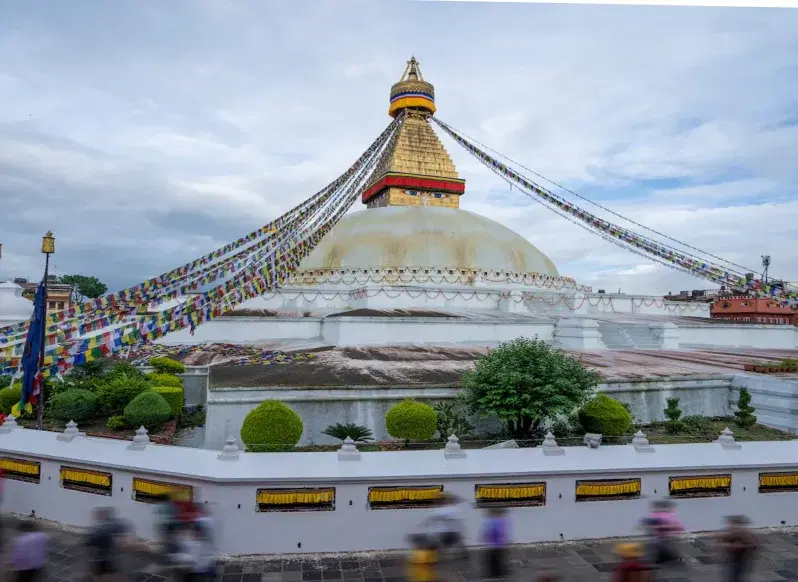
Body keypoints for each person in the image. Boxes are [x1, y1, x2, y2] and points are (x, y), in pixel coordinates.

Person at [86, 507, 129, 581]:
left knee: (100, 574)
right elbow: (122, 529)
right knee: (111, 573)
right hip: (110, 556)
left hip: (102, 558)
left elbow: (92, 542)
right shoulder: (113, 523)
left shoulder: (100, 528)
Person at [419, 493, 467, 559]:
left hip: (447, 533)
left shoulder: (449, 509)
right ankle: (438, 555)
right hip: (447, 533)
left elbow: (431, 518)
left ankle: (460, 554)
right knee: (441, 545)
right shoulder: (446, 510)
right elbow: (431, 519)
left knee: (441, 545)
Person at [720, 515, 758, 582]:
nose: (729, 525)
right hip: (731, 561)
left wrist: (744, 544)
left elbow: (754, 545)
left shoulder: (746, 534)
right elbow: (722, 543)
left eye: (731, 523)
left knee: (737, 576)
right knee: (732, 576)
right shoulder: (729, 533)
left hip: (741, 561)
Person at [647, 500, 683, 567]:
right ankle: (661, 559)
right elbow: (651, 524)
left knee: (667, 548)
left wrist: (668, 527)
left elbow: (677, 525)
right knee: (659, 547)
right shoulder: (654, 515)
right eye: (657, 507)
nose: (658, 509)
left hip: (668, 535)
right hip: (658, 535)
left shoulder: (670, 515)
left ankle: (674, 558)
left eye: (661, 507)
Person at [481, 506, 510, 579]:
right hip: (498, 544)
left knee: (493, 560)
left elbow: (494, 532)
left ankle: (495, 573)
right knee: (497, 559)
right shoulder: (501, 520)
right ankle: (499, 572)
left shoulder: (493, 521)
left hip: (495, 545)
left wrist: (486, 537)